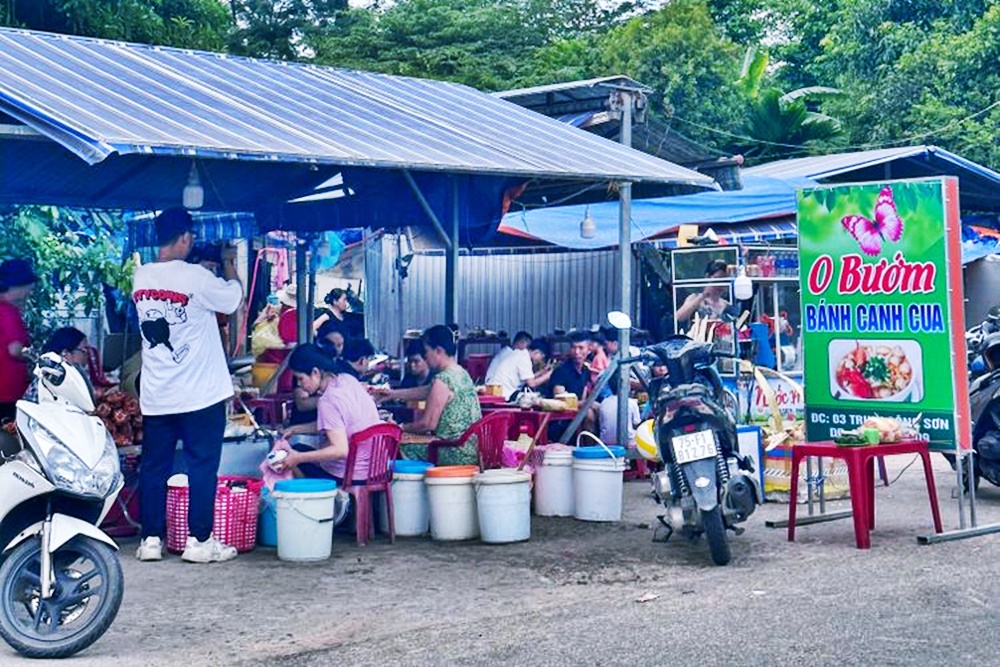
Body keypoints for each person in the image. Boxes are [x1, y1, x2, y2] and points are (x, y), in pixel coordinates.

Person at [132, 208, 244, 564]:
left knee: (155, 467)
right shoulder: (196, 277)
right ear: (185, 237)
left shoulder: (141, 277)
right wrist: (228, 266)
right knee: (201, 467)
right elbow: (232, 298)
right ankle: (199, 541)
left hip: (158, 394)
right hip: (200, 394)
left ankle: (151, 540)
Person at [277, 344, 382, 482]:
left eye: (301, 378)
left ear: (315, 372)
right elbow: (336, 425)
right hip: (375, 469)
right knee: (300, 450)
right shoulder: (347, 380)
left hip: (351, 475)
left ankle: (313, 499)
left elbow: (340, 450)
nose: (299, 384)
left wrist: (298, 457)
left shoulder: (327, 400)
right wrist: (296, 429)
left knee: (294, 454)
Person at [378, 324, 481, 465]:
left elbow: (427, 424)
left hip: (453, 452)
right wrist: (392, 394)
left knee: (398, 443)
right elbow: (429, 391)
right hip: (471, 449)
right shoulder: (461, 373)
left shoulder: (442, 380)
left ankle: (411, 486)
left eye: (426, 351)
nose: (425, 356)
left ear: (438, 351)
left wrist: (399, 427)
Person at [0, 259, 36, 422]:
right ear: (18, 285)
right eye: (29, 287)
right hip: (7, 391)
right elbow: (15, 350)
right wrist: (33, 358)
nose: (30, 292)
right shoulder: (8, 312)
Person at [483, 331, 553, 401]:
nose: (540, 361)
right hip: (506, 394)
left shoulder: (520, 354)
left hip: (500, 390)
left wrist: (542, 372)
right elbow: (531, 383)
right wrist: (549, 375)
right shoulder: (524, 358)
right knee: (536, 398)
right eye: (542, 358)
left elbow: (528, 377)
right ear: (537, 352)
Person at [675, 259, 735, 328]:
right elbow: (679, 317)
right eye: (718, 279)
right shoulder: (695, 298)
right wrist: (702, 297)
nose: (721, 285)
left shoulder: (726, 305)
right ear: (707, 277)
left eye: (724, 281)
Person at [42, 327, 95, 398]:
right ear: (65, 353)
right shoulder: (56, 376)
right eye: (84, 350)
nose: (87, 354)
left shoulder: (71, 372)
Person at [598, 371, 641, 446]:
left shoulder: (604, 402)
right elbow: (636, 423)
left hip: (606, 441)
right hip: (628, 442)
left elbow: (602, 423)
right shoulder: (631, 402)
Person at [545, 332, 592, 399]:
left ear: (589, 350)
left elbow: (583, 396)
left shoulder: (585, 371)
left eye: (581, 348)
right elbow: (560, 400)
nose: (576, 352)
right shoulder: (561, 371)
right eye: (573, 347)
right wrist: (585, 404)